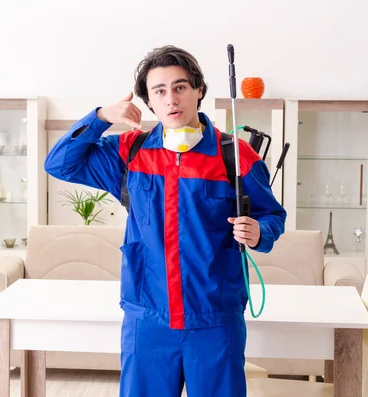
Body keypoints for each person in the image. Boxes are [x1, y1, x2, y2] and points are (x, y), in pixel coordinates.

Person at [44, 45, 286, 397]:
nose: (171, 99)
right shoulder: (129, 151)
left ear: (198, 91)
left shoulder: (234, 154)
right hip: (149, 320)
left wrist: (258, 231)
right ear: (149, 102)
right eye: (159, 91)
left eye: (180, 87)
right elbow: (59, 164)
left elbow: (272, 215)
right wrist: (100, 116)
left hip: (215, 321)